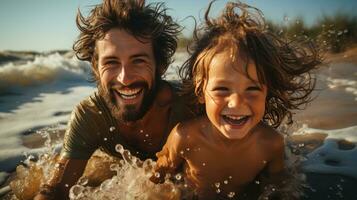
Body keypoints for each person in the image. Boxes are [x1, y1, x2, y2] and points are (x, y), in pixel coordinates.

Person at [151, 1, 322, 199]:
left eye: (252, 89)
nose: (237, 103)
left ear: (267, 92)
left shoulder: (271, 144)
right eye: (222, 89)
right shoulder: (185, 137)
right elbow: (157, 180)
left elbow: (280, 189)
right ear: (200, 91)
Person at [34, 0, 191, 199]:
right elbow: (55, 190)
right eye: (111, 62)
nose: (124, 78)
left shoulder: (189, 106)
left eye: (139, 60)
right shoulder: (91, 116)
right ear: (95, 68)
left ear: (160, 64)